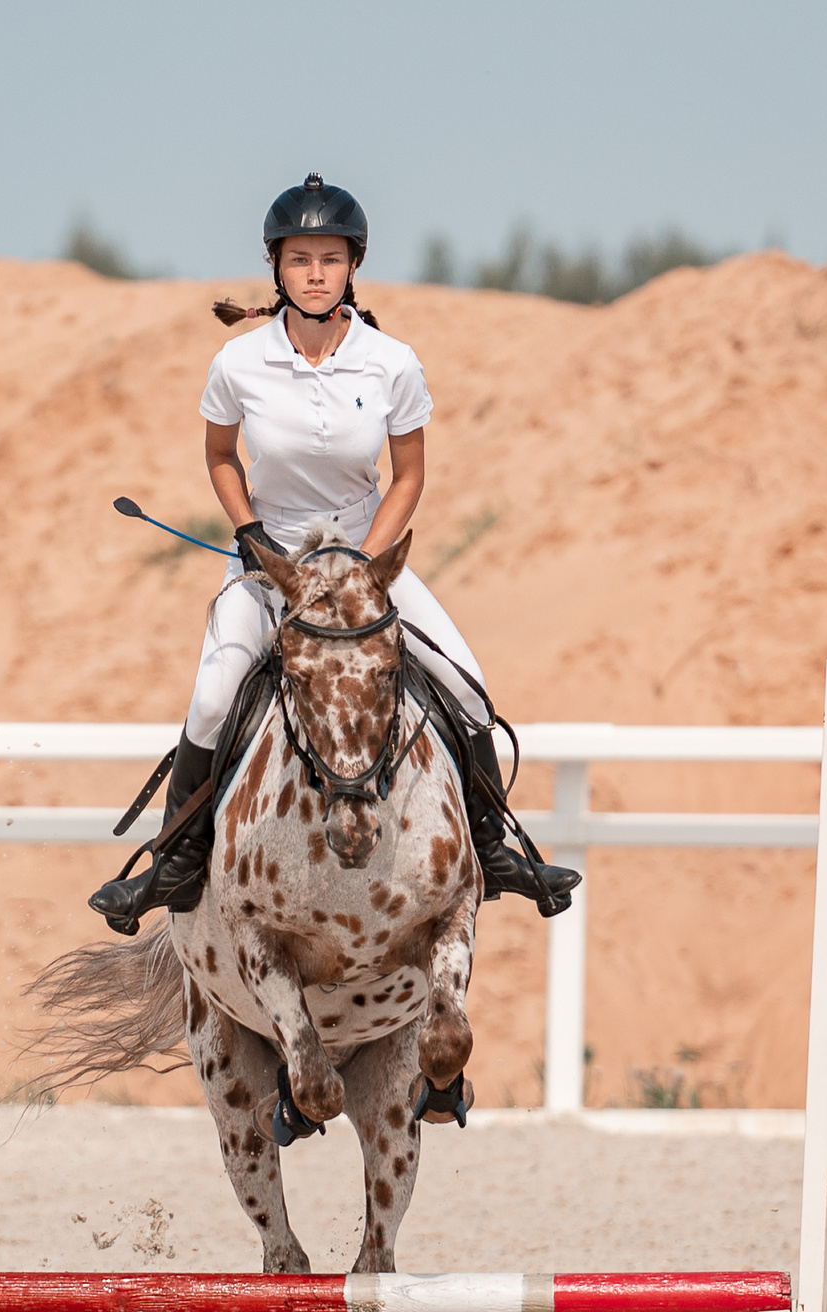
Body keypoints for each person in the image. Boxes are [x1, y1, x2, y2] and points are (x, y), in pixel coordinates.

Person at [88, 174, 580, 934]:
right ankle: (175, 863)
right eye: (299, 259)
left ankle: (495, 848)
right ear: (276, 269)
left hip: (366, 554)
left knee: (470, 687)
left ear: (352, 266)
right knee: (218, 693)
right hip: (271, 559)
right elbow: (221, 456)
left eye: (329, 258)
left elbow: (409, 476)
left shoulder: (392, 362)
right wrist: (248, 530)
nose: (315, 272)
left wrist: (365, 564)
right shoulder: (238, 363)